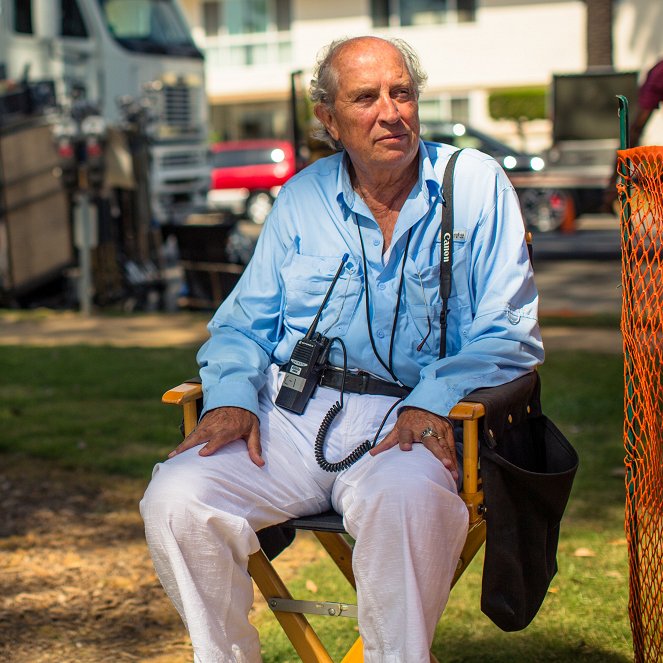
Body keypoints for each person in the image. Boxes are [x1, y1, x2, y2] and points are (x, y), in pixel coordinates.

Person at [140, 36, 544, 662]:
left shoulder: (475, 186)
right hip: (295, 419)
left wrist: (433, 402)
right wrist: (229, 397)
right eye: (365, 98)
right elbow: (244, 323)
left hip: (416, 420)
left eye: (402, 92)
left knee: (404, 500)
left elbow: (508, 329)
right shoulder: (302, 197)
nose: (392, 112)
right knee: (176, 498)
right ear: (328, 120)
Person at [604, 58, 663, 210]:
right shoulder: (658, 73)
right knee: (635, 130)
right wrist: (613, 182)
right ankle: (610, 190)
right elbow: (636, 128)